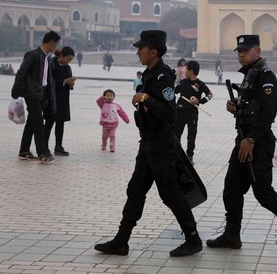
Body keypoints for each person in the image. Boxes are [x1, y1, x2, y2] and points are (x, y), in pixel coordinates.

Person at [94, 30, 203, 257]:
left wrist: (145, 98)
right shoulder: (149, 74)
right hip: (148, 144)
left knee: (171, 194)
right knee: (135, 190)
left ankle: (193, 239)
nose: (138, 52)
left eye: (141, 49)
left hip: (161, 146)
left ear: (153, 51)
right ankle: (121, 240)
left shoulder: (162, 77)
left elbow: (168, 114)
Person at [206, 34, 277, 253]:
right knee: (231, 188)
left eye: (245, 50)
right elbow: (252, 107)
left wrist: (251, 139)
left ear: (258, 51)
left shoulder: (266, 76)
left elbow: (268, 113)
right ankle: (232, 235)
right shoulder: (249, 75)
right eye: (239, 51)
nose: (241, 54)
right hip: (243, 140)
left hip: (257, 142)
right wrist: (237, 107)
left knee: (263, 192)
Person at [11, 31, 60, 164]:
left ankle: (24, 150)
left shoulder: (46, 57)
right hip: (31, 93)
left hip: (41, 94)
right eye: (56, 44)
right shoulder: (33, 55)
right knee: (39, 122)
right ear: (51, 43)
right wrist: (16, 91)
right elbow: (22, 73)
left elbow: (46, 78)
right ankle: (42, 153)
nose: (56, 47)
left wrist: (49, 95)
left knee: (32, 122)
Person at [174, 60, 213, 162]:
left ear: (191, 71)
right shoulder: (183, 82)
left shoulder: (199, 84)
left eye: (186, 69)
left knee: (191, 135)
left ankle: (189, 155)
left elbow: (210, 95)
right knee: (176, 133)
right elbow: (175, 91)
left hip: (192, 113)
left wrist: (199, 101)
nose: (184, 71)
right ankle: (178, 153)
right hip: (180, 111)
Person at [44, 47, 76, 156]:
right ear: (61, 55)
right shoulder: (51, 64)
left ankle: (58, 146)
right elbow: (48, 81)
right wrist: (63, 82)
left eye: (70, 60)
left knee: (60, 123)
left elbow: (68, 81)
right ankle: (44, 147)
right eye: (67, 59)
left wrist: (71, 84)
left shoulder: (67, 68)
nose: (68, 62)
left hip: (63, 99)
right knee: (49, 122)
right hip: (52, 99)